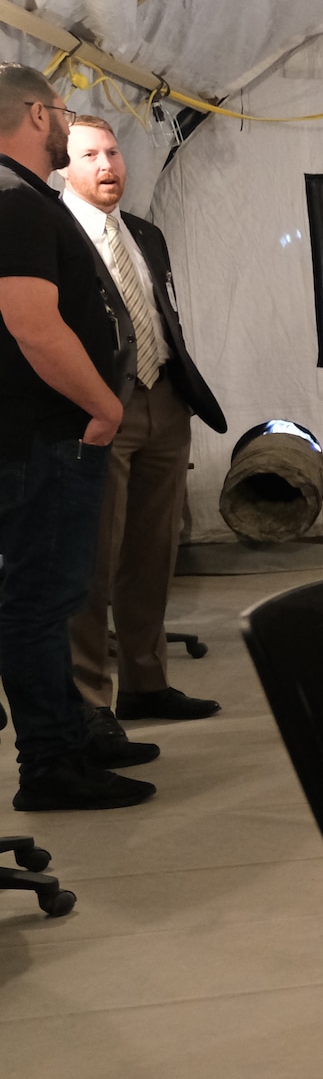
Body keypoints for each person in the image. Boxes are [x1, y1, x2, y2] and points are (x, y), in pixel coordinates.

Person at [0, 65, 153, 811]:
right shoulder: (17, 201)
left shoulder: (23, 198)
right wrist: (103, 407)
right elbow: (32, 322)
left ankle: (70, 741)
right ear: (36, 114)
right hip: (48, 433)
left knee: (50, 596)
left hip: (43, 432)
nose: (70, 128)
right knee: (39, 599)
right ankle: (51, 763)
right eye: (63, 114)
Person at [62, 116, 228, 763]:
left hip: (166, 401)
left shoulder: (145, 234)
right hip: (100, 407)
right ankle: (89, 704)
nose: (108, 164)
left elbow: (160, 311)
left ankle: (145, 681)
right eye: (90, 154)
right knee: (93, 561)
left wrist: (175, 391)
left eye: (113, 151)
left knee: (154, 552)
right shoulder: (54, 231)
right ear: (62, 166)